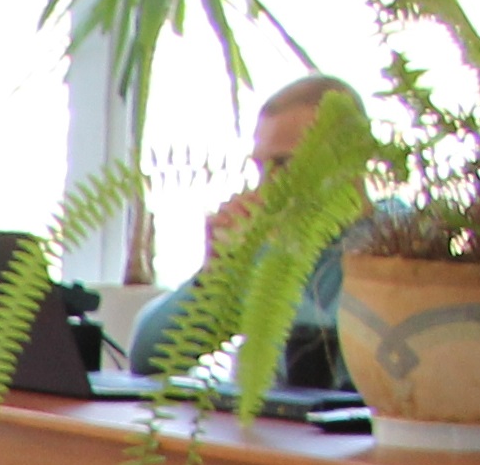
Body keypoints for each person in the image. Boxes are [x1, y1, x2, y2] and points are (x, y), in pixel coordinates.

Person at [124, 72, 368, 385]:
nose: (265, 186)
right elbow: (148, 356)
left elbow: (334, 368)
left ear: (349, 160)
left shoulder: (399, 245)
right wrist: (216, 274)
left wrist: (261, 269)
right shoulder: (278, 245)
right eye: (261, 167)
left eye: (283, 165)